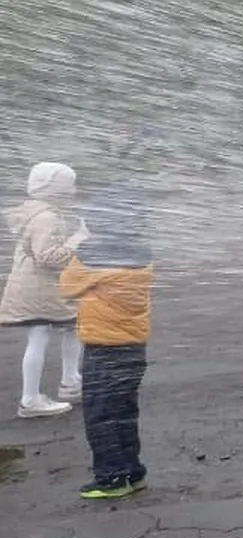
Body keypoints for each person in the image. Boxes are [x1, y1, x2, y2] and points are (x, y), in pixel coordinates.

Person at [59, 171, 155, 500]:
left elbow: (67, 287)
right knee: (125, 412)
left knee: (101, 415)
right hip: (133, 347)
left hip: (104, 348)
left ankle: (111, 478)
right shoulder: (142, 250)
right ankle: (132, 471)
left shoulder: (91, 253)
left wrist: (79, 241)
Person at [2, 161, 83, 418]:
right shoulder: (47, 217)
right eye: (68, 185)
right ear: (53, 188)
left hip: (31, 284)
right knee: (60, 329)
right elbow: (49, 256)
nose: (73, 191)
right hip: (41, 287)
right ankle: (34, 398)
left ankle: (66, 383)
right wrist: (79, 239)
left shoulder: (34, 213)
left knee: (55, 330)